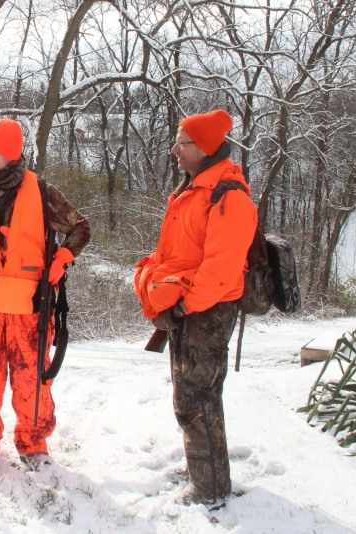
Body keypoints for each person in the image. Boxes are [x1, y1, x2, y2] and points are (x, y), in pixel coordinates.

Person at [0, 118, 90, 474]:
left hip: (31, 308)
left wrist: (62, 260)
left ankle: (34, 443)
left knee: (32, 378)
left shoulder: (42, 193)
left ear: (10, 153)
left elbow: (80, 228)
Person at [133, 109, 257, 506]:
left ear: (203, 147)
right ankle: (202, 471)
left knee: (196, 398)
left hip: (208, 308)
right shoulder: (194, 188)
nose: (174, 150)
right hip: (188, 306)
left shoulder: (228, 195)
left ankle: (209, 488)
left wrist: (183, 308)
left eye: (182, 143)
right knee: (188, 395)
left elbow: (220, 270)